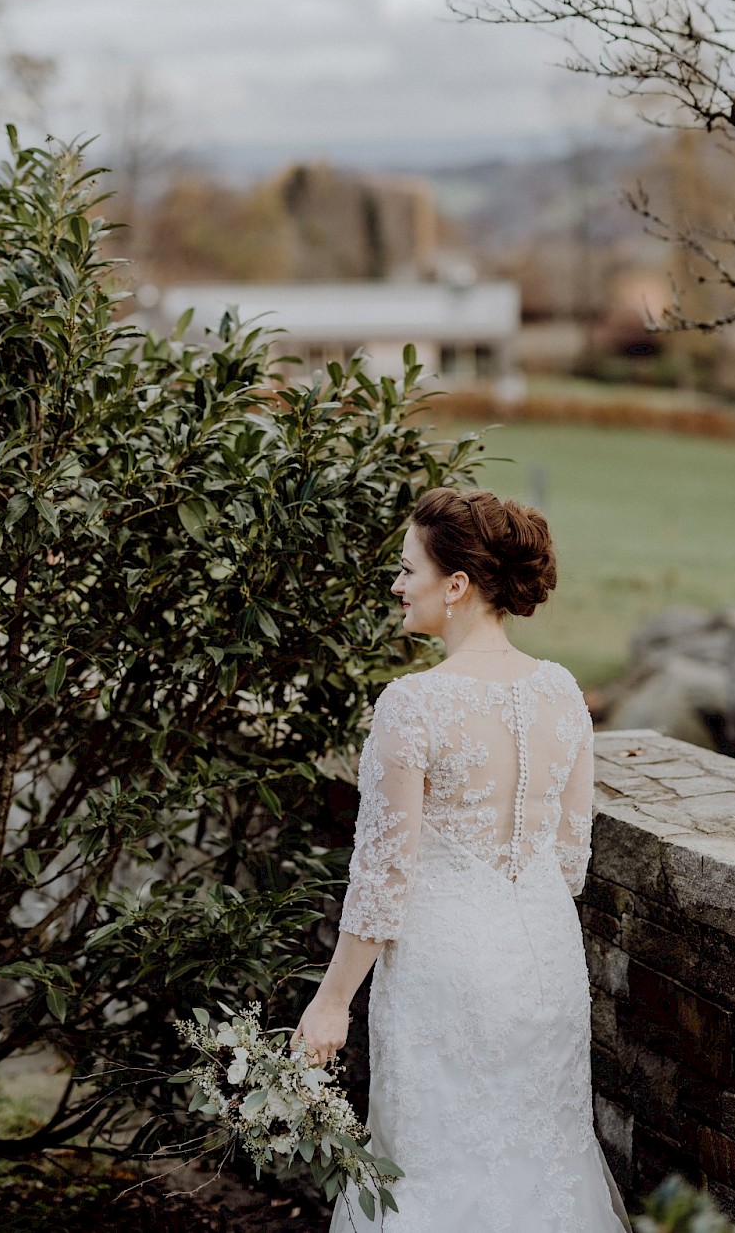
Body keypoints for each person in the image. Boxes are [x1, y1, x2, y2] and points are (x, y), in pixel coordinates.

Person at [292, 486, 631, 1232]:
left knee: (431, 1169)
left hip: (443, 968)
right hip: (543, 958)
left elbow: (384, 876)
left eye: (408, 568)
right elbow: (570, 858)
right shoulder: (563, 691)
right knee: (538, 1163)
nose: (396, 584)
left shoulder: (413, 703)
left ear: (456, 585)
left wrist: (331, 1000)